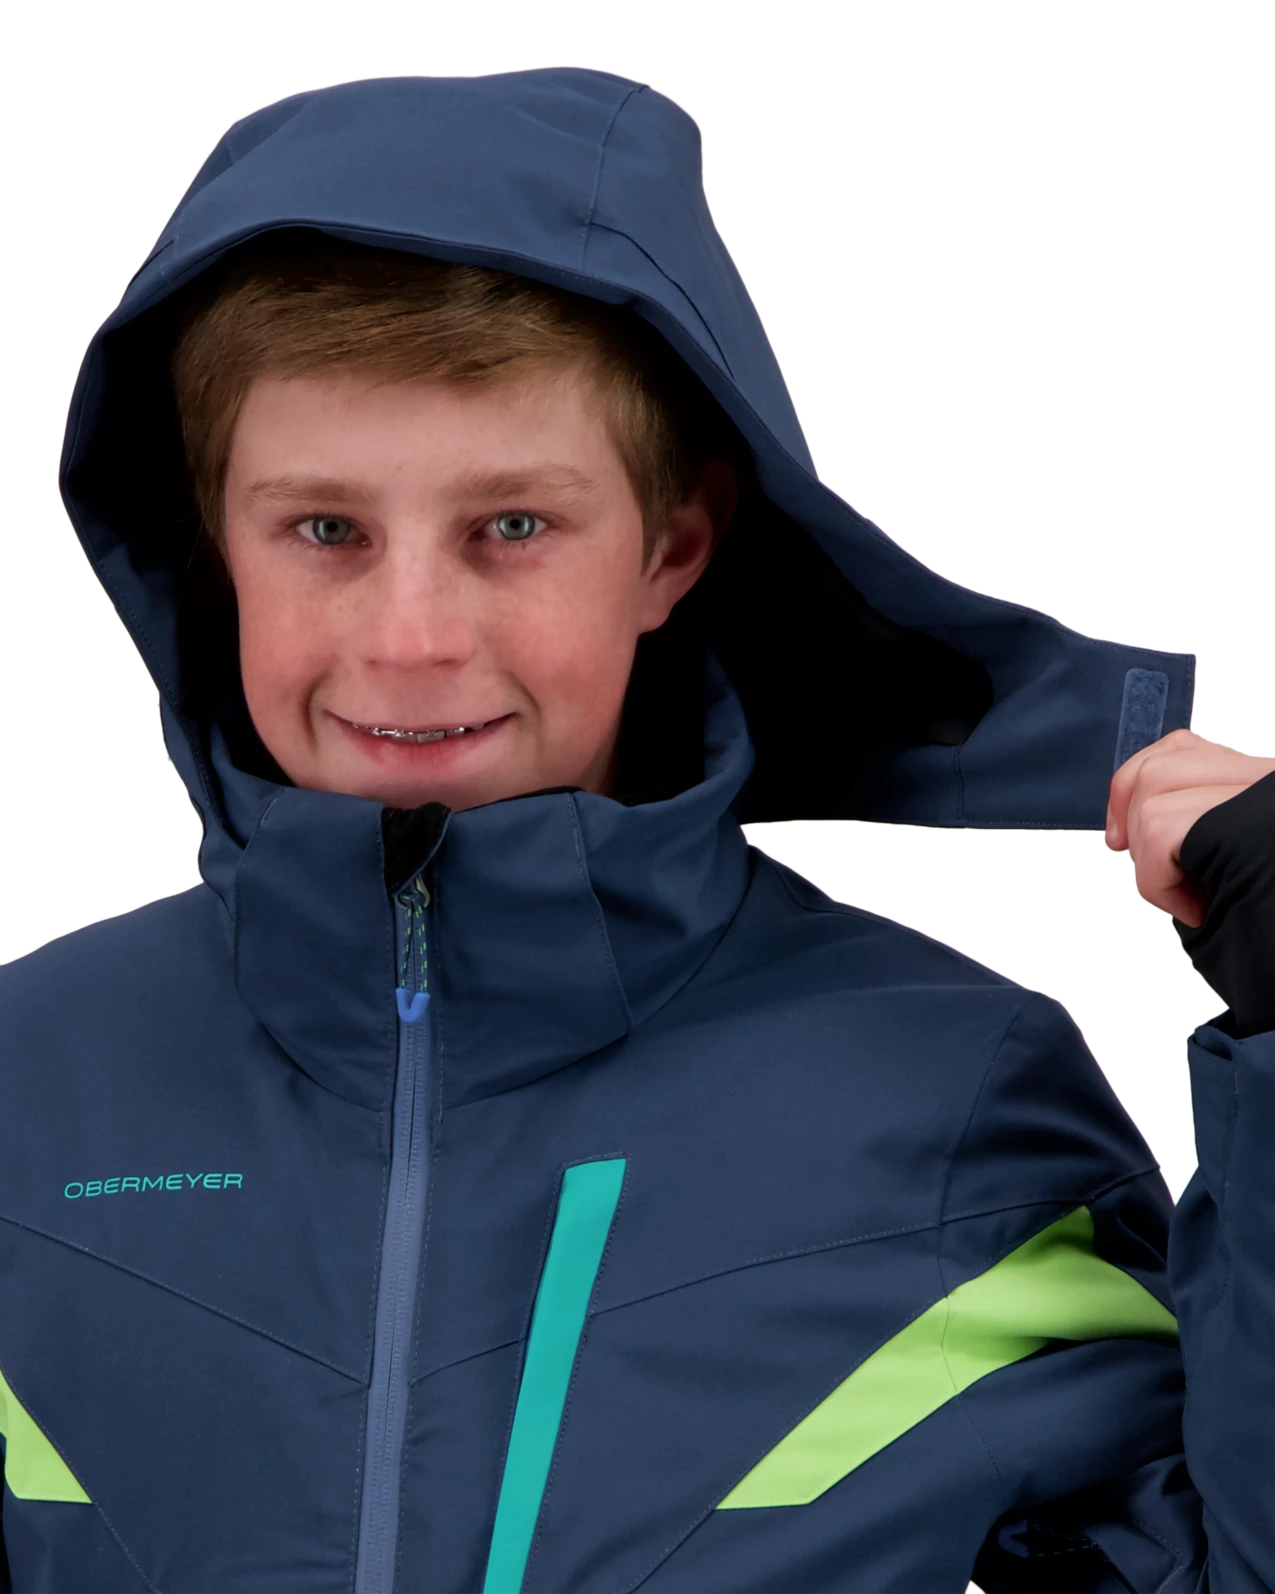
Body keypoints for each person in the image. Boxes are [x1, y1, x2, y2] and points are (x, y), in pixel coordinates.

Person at [3, 67, 1272, 1594]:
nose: (411, 637)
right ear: (215, 544)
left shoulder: (946, 1101)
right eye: (324, 529)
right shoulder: (29, 1086)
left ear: (672, 545)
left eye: (511, 527)